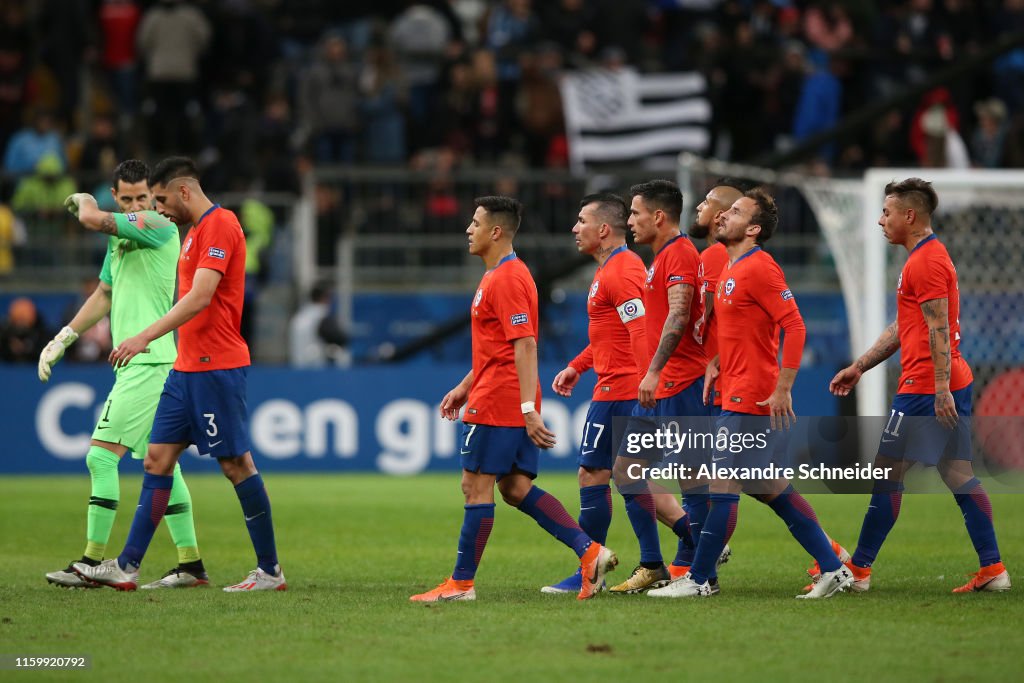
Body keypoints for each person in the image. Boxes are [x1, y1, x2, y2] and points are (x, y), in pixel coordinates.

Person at [72, 156, 285, 592]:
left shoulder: (221, 225)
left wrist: (143, 336)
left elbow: (201, 297)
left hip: (216, 366)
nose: (160, 209)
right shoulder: (190, 235)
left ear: (184, 191)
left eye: (163, 199)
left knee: (236, 465)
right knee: (157, 459)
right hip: (184, 368)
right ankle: (128, 566)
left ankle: (269, 571)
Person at [410, 195, 617, 602]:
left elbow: (525, 345)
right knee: (515, 488)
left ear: (496, 231)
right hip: (500, 391)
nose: (469, 229)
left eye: (475, 223)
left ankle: (461, 584)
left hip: (501, 399)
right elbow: (499, 347)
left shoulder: (506, 278)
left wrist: (525, 410)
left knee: (475, 486)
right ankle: (589, 551)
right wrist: (466, 384)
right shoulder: (501, 275)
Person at [649, 188, 853, 599]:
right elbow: (744, 331)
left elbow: (794, 326)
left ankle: (700, 578)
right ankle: (833, 567)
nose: (724, 216)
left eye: (736, 212)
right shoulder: (730, 268)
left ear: (754, 228)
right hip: (733, 388)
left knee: (723, 487)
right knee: (770, 488)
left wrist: (784, 387)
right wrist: (717, 362)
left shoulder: (760, 267)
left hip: (752, 394)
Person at [830, 178, 1009, 593]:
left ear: (909, 216)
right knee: (956, 472)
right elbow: (903, 327)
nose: (880, 220)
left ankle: (859, 570)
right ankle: (993, 568)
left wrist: (940, 387)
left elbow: (938, 326)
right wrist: (861, 366)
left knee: (888, 472)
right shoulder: (923, 258)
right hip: (942, 381)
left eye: (887, 212)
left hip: (926, 385)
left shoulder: (925, 262)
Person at [40, 159, 207, 589]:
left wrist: (82, 200)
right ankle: (190, 563)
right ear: (118, 196)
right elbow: (105, 294)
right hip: (146, 362)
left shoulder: (156, 225)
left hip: (148, 362)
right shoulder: (120, 241)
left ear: (154, 196)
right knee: (164, 465)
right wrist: (64, 337)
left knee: (99, 456)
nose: (138, 206)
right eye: (128, 199)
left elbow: (93, 217)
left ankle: (91, 562)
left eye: (143, 198)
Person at [542, 192, 662, 594]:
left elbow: (640, 329)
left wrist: (648, 378)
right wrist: (577, 365)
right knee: (610, 475)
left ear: (604, 229)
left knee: (610, 475)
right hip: (613, 385)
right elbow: (610, 336)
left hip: (624, 390)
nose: (575, 228)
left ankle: (595, 568)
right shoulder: (611, 269)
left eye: (581, 220)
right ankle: (680, 552)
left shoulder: (621, 269)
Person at [607, 179, 716, 594]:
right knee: (626, 470)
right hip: (661, 386)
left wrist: (652, 370)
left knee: (694, 482)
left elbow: (679, 314)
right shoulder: (662, 257)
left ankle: (704, 575)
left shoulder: (681, 254)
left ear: (658, 216)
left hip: (680, 383)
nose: (630, 221)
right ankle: (657, 563)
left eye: (635, 213)